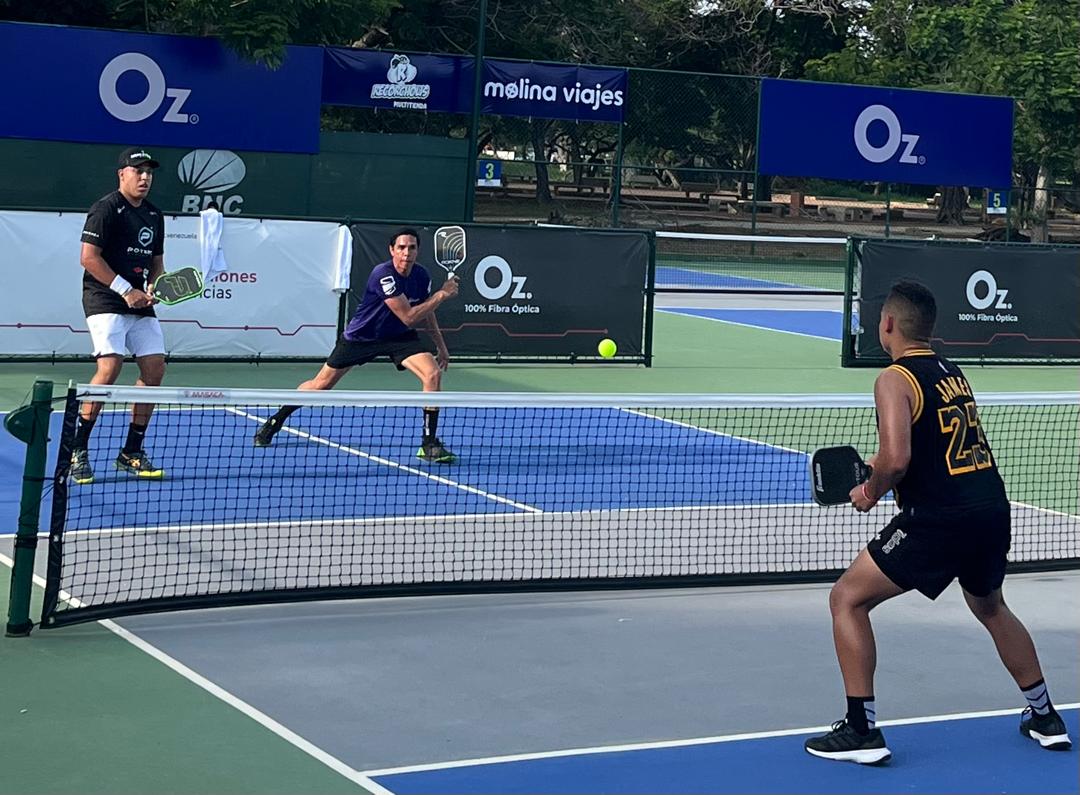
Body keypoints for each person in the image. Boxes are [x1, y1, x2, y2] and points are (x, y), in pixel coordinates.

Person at [804, 280, 1071, 764]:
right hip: (990, 508)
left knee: (847, 598)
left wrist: (869, 490)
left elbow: (898, 457)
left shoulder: (893, 379)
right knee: (990, 607)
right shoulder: (952, 372)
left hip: (940, 519)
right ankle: (1045, 717)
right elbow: (933, 450)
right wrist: (883, 468)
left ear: (887, 325)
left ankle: (861, 730)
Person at [253, 228, 459, 462]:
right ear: (392, 250)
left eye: (412, 247)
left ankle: (429, 444)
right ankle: (275, 420)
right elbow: (410, 316)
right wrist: (442, 295)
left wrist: (441, 347)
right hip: (362, 337)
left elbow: (426, 312)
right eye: (401, 247)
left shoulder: (421, 275)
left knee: (432, 374)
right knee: (321, 386)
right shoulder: (384, 275)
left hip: (399, 338)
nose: (406, 253)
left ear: (417, 251)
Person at [69, 147, 168, 485]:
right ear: (122, 174)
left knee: (154, 368)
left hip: (140, 302)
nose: (144, 177)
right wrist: (127, 289)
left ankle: (131, 452)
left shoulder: (155, 216)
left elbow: (156, 265)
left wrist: (155, 287)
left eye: (149, 172)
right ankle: (77, 449)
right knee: (110, 368)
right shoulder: (106, 208)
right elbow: (88, 258)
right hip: (103, 297)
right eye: (137, 171)